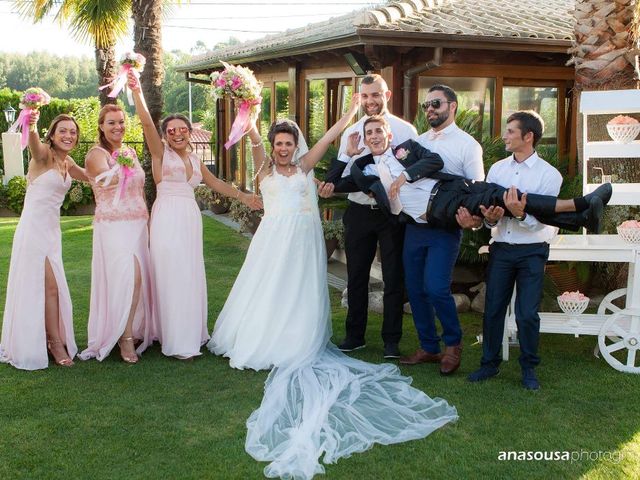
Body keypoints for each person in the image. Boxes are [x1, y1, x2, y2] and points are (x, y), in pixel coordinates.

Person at [209, 96, 458, 479]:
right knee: (268, 288)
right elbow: (255, 141)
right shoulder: (263, 172)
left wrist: (350, 112)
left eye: (288, 143)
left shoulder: (306, 167)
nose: (283, 149)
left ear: (296, 146)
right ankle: (262, 337)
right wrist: (249, 114)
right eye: (278, 144)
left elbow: (329, 139)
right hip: (273, 241)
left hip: (302, 242)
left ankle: (294, 338)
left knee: (298, 291)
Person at [128, 73, 261, 360]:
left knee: (189, 274)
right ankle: (175, 340)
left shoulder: (195, 160)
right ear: (165, 135)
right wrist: (137, 91)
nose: (177, 133)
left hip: (190, 219)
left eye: (182, 129)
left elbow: (216, 184)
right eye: (172, 130)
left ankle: (190, 332)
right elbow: (148, 124)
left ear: (189, 131)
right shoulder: (160, 155)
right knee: (170, 274)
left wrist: (246, 197)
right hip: (166, 219)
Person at [467, 111, 588, 390]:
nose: (505, 136)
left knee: (526, 314)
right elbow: (489, 215)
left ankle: (529, 369)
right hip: (501, 249)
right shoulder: (497, 169)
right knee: (493, 309)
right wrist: (491, 217)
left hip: (533, 251)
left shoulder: (550, 175)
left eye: (510, 131)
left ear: (528, 136)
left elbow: (544, 221)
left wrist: (521, 214)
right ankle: (489, 365)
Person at [326, 74, 418, 359]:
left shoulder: (406, 131)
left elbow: (416, 173)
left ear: (386, 95)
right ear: (359, 98)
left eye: (375, 95)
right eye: (365, 96)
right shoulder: (351, 132)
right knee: (356, 276)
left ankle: (391, 340)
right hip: (358, 212)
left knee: (393, 277)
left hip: (392, 215)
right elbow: (336, 179)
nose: (370, 101)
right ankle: (355, 336)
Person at [400, 85, 485, 375]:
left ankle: (453, 344)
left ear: (453, 106)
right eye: (426, 105)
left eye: (435, 103)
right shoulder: (416, 141)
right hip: (413, 226)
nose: (430, 110)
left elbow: (476, 189)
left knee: (436, 287)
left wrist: (472, 219)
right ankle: (428, 346)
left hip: (444, 230)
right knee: (414, 288)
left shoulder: (467, 145)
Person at [0, 113, 86, 370]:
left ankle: (51, 339)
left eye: (72, 132)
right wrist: (32, 120)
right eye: (63, 131)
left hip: (52, 232)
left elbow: (93, 177)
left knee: (53, 288)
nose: (68, 135)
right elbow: (34, 143)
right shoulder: (43, 155)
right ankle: (53, 341)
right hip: (33, 230)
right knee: (48, 287)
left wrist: (118, 168)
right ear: (52, 134)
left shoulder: (67, 162)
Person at [78, 105, 155, 364]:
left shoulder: (130, 152)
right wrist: (121, 166)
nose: (117, 127)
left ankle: (132, 327)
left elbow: (140, 188)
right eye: (111, 123)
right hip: (113, 225)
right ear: (101, 126)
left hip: (137, 224)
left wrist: (148, 220)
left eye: (121, 122)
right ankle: (124, 337)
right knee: (128, 278)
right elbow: (104, 181)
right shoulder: (95, 155)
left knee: (139, 279)